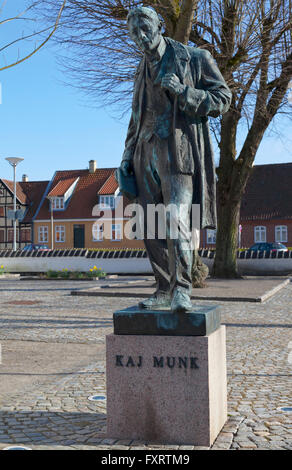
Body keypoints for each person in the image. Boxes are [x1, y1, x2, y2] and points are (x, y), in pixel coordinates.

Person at [119, 7, 231, 313]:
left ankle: (182, 290)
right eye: (133, 32)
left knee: (174, 220)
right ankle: (164, 289)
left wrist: (184, 92)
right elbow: (136, 116)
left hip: (178, 153)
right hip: (145, 153)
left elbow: (223, 97)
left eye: (144, 27)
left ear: (159, 26)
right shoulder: (141, 68)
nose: (140, 36)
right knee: (149, 225)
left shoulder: (194, 58)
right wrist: (127, 155)